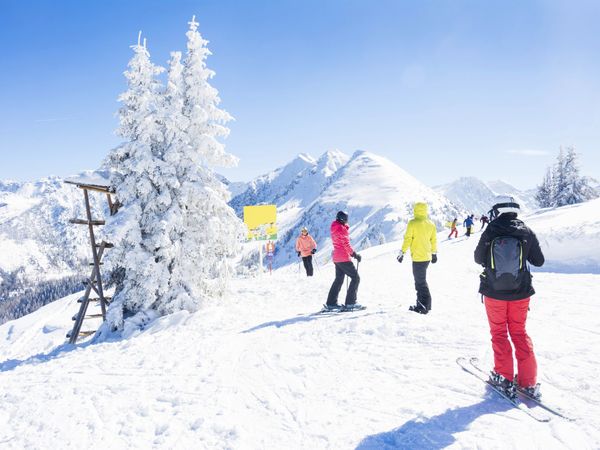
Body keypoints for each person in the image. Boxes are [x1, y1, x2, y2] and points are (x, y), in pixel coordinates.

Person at [474, 195, 545, 399]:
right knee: (519, 333)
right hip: (521, 292)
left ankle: (504, 378)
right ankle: (529, 383)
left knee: (499, 333)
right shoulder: (526, 231)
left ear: (497, 211)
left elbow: (478, 258)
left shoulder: (491, 230)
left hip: (494, 292)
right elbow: (539, 261)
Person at [397, 202, 437, 314]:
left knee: (420, 282)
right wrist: (434, 254)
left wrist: (402, 253)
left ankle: (422, 306)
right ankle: (425, 305)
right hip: (427, 257)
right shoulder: (431, 223)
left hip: (418, 258)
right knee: (421, 281)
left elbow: (408, 239)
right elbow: (433, 240)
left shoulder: (413, 223)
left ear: (415, 210)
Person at [325, 211, 362, 310]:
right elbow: (346, 244)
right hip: (343, 258)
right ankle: (350, 302)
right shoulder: (342, 229)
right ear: (342, 219)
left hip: (336, 258)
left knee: (338, 280)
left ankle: (331, 303)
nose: (346, 221)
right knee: (356, 278)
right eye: (346, 219)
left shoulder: (334, 227)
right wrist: (354, 254)